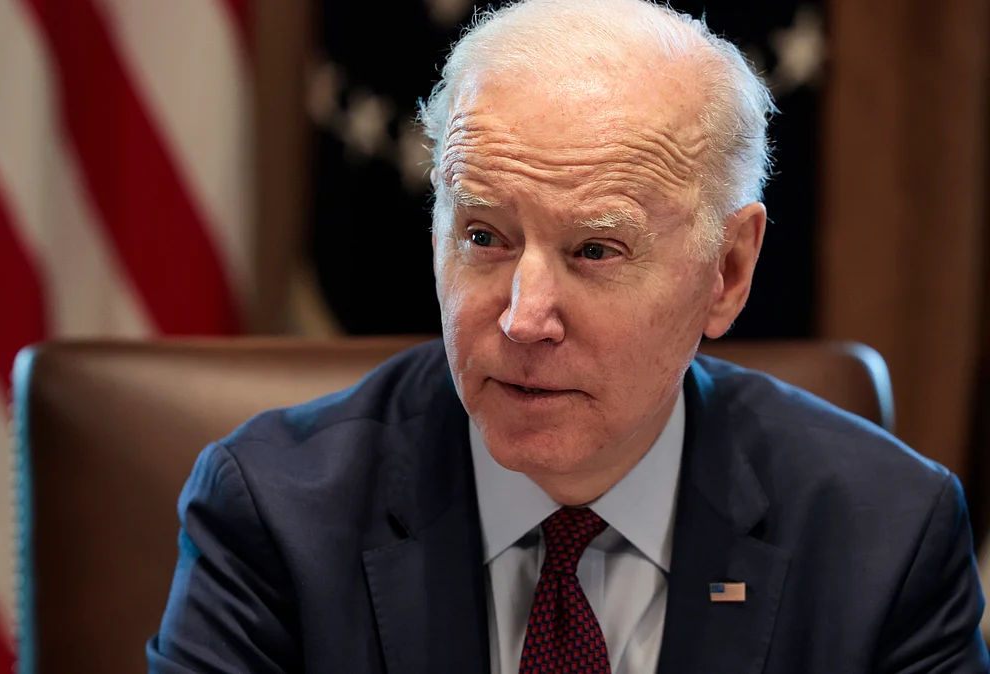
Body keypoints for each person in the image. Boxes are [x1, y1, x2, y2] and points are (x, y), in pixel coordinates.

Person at [147, 0, 989, 671]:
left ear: (727, 272)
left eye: (594, 249)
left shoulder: (885, 538)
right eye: (484, 237)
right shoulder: (273, 516)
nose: (522, 316)